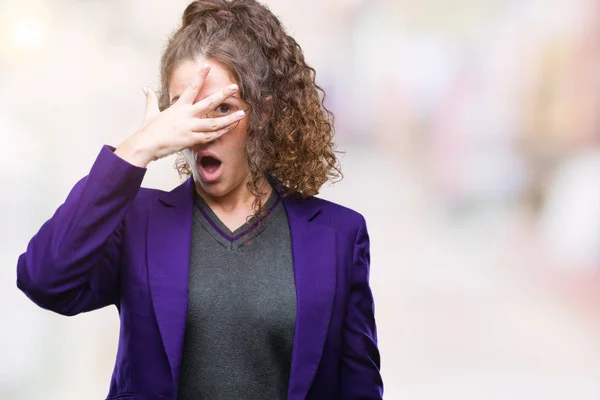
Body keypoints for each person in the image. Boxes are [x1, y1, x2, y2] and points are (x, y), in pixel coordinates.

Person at [16, 0, 383, 399]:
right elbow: (44, 279)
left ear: (261, 113)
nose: (204, 132)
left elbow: (358, 387)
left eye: (222, 109)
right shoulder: (137, 221)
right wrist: (136, 150)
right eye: (187, 111)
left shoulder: (339, 235)